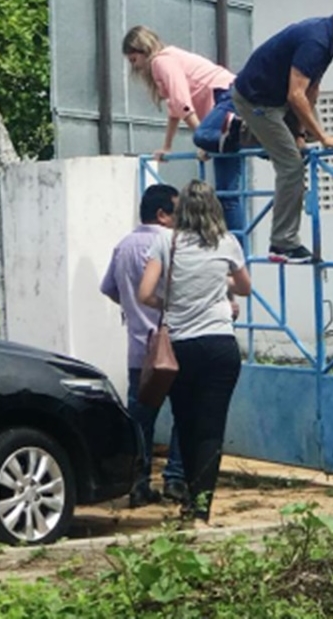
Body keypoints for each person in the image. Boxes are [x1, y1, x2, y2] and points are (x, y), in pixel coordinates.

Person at [231, 0, 333, 264]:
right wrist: (323, 137)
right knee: (292, 166)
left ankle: (256, 136)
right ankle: (282, 243)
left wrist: (302, 132)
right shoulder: (316, 41)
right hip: (256, 100)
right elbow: (296, 94)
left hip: (278, 98)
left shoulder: (330, 42)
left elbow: (311, 89)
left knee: (304, 136)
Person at [137, 179, 251, 526]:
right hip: (220, 345)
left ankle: (188, 501)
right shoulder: (227, 242)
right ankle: (202, 509)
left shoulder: (165, 242)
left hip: (181, 347)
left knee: (186, 423)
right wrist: (220, 283)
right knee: (211, 428)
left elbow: (144, 294)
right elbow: (244, 287)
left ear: (182, 209)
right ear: (214, 207)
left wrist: (167, 304)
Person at [100, 184, 188, 507]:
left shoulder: (123, 246)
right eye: (177, 212)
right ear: (163, 215)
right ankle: (176, 479)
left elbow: (108, 288)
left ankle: (138, 483)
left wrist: (134, 311)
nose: (182, 219)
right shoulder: (170, 244)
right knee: (186, 413)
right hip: (174, 346)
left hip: (139, 350)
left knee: (140, 421)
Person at [121, 25, 243, 232]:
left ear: (143, 50)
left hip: (224, 97)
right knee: (227, 190)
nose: (136, 67)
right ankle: (236, 248)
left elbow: (182, 102)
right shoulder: (168, 60)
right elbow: (174, 109)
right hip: (230, 98)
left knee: (227, 193)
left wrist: (204, 139)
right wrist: (167, 146)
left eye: (134, 60)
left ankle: (236, 250)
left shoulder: (161, 61)